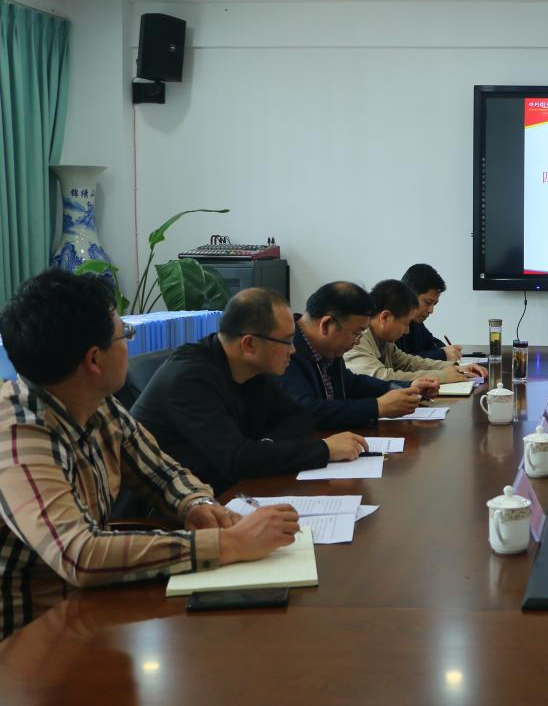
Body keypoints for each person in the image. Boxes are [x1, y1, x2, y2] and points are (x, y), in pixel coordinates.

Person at [0, 271, 298, 638]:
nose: (128, 343)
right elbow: (81, 555)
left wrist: (197, 504)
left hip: (88, 614)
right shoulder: (18, 435)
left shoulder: (95, 404)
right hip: (28, 641)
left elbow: (162, 472)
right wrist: (229, 544)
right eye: (124, 334)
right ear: (94, 359)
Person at [132, 288, 368, 494]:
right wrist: (324, 450)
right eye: (286, 341)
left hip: (225, 490)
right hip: (167, 510)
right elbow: (236, 460)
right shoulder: (190, 378)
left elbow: (299, 418)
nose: (293, 350)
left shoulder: (251, 369)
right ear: (249, 344)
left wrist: (264, 447)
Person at [278, 281, 438, 428]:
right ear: (326, 325)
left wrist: (407, 387)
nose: (357, 342)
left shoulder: (328, 349)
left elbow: (352, 383)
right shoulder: (285, 351)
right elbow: (306, 410)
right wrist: (377, 407)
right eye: (356, 333)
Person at [345, 279, 486, 384]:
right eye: (406, 324)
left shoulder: (384, 340)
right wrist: (442, 376)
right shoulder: (356, 339)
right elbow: (380, 378)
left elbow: (409, 363)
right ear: (385, 317)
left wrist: (457, 368)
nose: (407, 331)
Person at [396, 263, 463, 362]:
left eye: (434, 304)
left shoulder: (416, 322)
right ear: (409, 295)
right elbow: (399, 362)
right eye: (428, 302)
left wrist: (448, 350)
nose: (431, 310)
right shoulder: (391, 322)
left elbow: (431, 343)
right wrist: (442, 354)